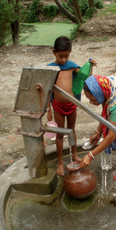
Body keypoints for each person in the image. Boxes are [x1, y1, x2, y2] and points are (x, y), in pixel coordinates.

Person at [47, 36, 97, 176]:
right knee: (59, 134)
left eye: (66, 56)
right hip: (57, 105)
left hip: (71, 104)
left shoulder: (72, 67)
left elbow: (84, 78)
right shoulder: (51, 69)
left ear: (70, 53)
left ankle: (74, 155)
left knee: (71, 129)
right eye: (60, 56)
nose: (63, 59)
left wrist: (90, 66)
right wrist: (48, 110)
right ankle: (60, 162)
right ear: (53, 52)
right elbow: (47, 90)